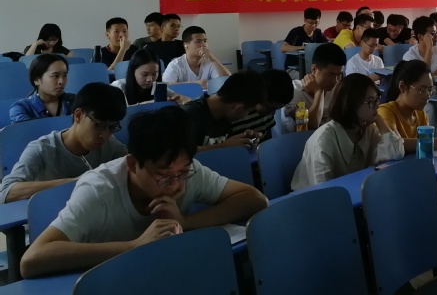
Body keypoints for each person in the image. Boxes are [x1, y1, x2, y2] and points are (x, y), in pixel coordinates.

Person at [20, 106, 267, 279]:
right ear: (132, 164)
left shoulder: (187, 170)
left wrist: (186, 222)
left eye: (182, 173)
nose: (176, 185)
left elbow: (255, 199)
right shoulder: (99, 190)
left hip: (160, 275)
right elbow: (31, 260)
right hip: (108, 280)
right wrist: (135, 246)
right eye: (163, 176)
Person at [0, 83, 127, 203]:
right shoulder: (42, 149)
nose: (104, 135)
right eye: (99, 125)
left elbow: (131, 167)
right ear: (78, 115)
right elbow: (6, 191)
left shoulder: (110, 144)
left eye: (112, 127)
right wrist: (76, 182)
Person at [291, 74, 403, 189]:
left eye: (377, 99)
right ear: (350, 105)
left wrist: (378, 118)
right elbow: (323, 190)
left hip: (350, 191)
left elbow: (396, 153)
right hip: (311, 196)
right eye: (370, 101)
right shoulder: (324, 140)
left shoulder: (369, 130)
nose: (377, 106)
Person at [378, 60, 437, 152]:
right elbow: (394, 145)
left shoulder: (421, 115)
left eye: (430, 90)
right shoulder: (386, 111)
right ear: (402, 87)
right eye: (422, 90)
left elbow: (426, 148)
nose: (428, 96)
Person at [181, 70, 268, 150]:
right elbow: (179, 153)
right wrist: (224, 146)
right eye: (248, 111)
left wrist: (242, 140)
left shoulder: (224, 116)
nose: (246, 115)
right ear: (238, 108)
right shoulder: (187, 115)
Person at [285, 43, 346, 130]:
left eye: (339, 75)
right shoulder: (294, 91)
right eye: (331, 74)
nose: (335, 80)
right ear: (314, 69)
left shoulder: (338, 88)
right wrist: (318, 91)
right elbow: (310, 128)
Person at [229, 69, 294, 140]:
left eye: (277, 108)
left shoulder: (266, 111)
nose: (273, 113)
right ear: (257, 95)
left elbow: (267, 141)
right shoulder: (234, 113)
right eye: (271, 108)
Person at [11, 54, 75, 124]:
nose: (61, 81)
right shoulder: (22, 108)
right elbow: (26, 129)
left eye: (65, 76)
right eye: (55, 76)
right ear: (36, 80)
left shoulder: (75, 101)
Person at [162, 26, 231, 88]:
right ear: (186, 45)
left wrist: (213, 59)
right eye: (198, 41)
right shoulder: (175, 65)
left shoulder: (210, 61)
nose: (203, 45)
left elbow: (228, 81)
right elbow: (166, 87)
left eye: (205, 41)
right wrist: (194, 84)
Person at [281, 8, 328, 76]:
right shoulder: (296, 32)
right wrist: (303, 47)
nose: (313, 25)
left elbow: (327, 46)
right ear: (305, 20)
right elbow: (283, 48)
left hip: (312, 68)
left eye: (316, 23)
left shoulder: (318, 32)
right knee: (306, 80)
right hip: (294, 69)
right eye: (311, 22)